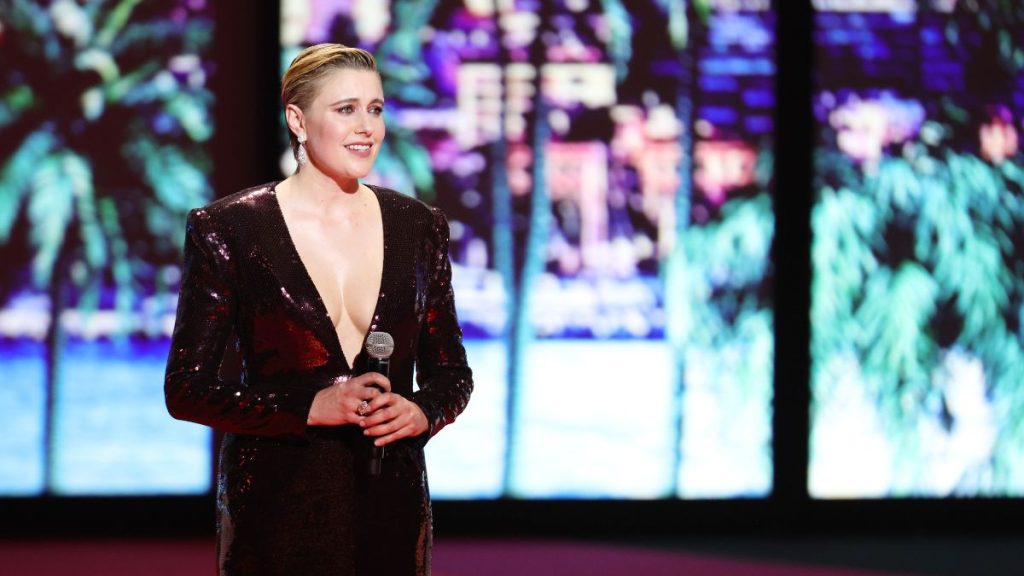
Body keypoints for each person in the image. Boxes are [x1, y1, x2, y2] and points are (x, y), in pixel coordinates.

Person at [164, 43, 473, 576]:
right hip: (276, 509)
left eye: (375, 109)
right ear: (298, 120)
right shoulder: (230, 230)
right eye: (346, 109)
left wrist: (422, 411)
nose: (367, 127)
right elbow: (186, 388)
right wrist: (309, 407)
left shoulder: (419, 227)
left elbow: (451, 374)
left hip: (391, 507)